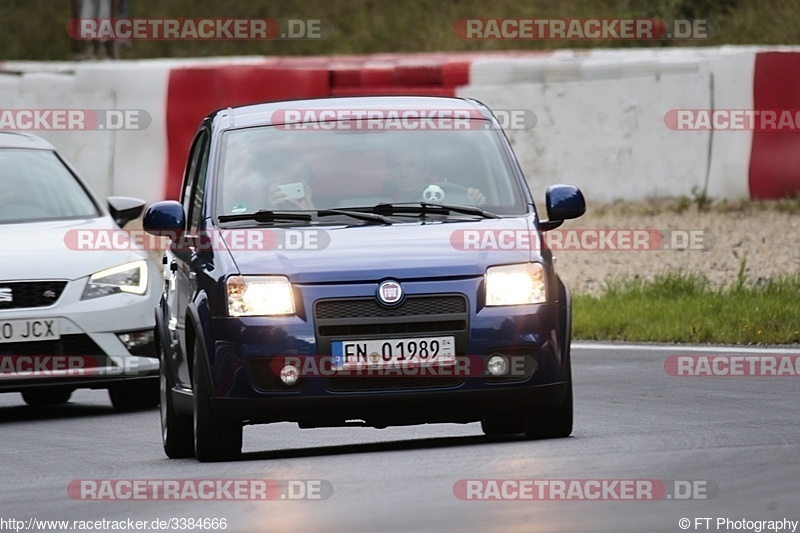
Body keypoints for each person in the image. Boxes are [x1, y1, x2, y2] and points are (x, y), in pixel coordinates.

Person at [385, 141, 486, 206]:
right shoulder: (380, 207)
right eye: (397, 166)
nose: (404, 173)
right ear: (389, 171)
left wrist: (474, 199)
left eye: (412, 165)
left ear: (427, 169)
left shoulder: (452, 197)